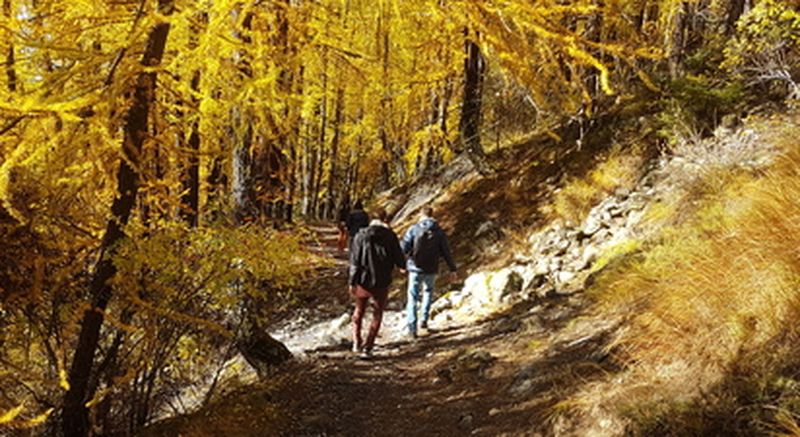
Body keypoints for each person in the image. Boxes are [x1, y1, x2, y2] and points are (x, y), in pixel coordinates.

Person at [348, 208, 405, 358]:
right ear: (385, 219)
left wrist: (352, 281)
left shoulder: (360, 236)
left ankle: (356, 341)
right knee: (377, 313)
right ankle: (369, 347)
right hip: (382, 280)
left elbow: (354, 261)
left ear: (370, 220)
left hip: (363, 280)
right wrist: (402, 266)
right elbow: (398, 255)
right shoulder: (390, 236)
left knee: (358, 311)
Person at [401, 206, 457, 338]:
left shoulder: (414, 229)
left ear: (421, 215)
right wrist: (452, 269)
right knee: (428, 292)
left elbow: (404, 247)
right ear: (432, 215)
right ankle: (424, 320)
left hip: (415, 267)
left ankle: (412, 328)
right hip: (431, 268)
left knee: (412, 296)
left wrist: (401, 263)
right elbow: (446, 251)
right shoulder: (439, 231)